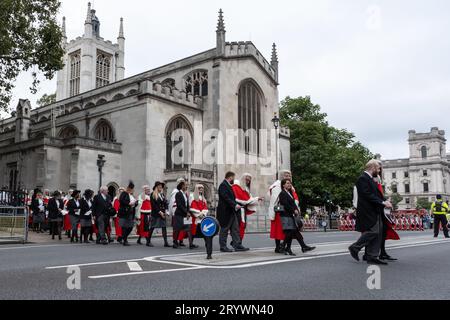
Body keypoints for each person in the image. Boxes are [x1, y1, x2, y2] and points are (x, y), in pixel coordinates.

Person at [348, 160, 393, 265]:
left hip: (374, 209)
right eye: (378, 169)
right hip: (367, 211)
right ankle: (355, 247)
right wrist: (382, 202)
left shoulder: (370, 179)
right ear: (372, 168)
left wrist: (385, 201)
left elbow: (376, 194)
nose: (379, 171)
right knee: (374, 231)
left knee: (378, 233)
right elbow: (367, 195)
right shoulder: (362, 179)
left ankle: (371, 256)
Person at [278, 179, 315, 255]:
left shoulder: (289, 193)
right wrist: (293, 210)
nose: (289, 184)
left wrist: (296, 209)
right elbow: (285, 204)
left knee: (293, 231)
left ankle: (291, 248)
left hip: (290, 215)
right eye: (287, 183)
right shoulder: (282, 193)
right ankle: (284, 246)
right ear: (283, 185)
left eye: (290, 183)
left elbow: (293, 203)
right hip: (285, 215)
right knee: (291, 231)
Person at [217, 171, 249, 252]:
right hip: (225, 212)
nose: (234, 179)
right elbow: (226, 198)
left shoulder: (229, 186)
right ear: (230, 177)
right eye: (233, 177)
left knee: (235, 229)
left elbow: (232, 198)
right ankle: (223, 246)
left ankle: (237, 245)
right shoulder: (223, 185)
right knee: (224, 229)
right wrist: (235, 205)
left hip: (232, 211)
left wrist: (236, 204)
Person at [232, 173, 263, 240]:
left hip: (243, 210)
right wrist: (256, 199)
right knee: (238, 226)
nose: (248, 182)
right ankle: (236, 242)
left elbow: (249, 199)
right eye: (246, 180)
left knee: (243, 226)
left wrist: (257, 199)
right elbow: (244, 200)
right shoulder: (237, 186)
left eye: (249, 180)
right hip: (237, 210)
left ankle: (238, 242)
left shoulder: (246, 189)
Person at [268, 170, 293, 254]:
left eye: (289, 175)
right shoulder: (276, 186)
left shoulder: (289, 186)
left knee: (286, 230)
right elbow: (274, 200)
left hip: (286, 211)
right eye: (286, 175)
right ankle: (278, 247)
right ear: (282, 176)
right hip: (279, 211)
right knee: (279, 230)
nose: (288, 177)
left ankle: (283, 246)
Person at [190, 184, 213, 258]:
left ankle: (207, 244)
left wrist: (203, 213)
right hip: (196, 217)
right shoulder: (193, 197)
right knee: (193, 231)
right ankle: (191, 243)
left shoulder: (203, 199)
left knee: (204, 231)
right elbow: (193, 207)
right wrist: (198, 214)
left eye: (202, 189)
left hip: (202, 217)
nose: (201, 190)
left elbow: (205, 207)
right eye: (200, 188)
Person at [173, 180, 197, 249]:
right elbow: (179, 205)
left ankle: (191, 244)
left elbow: (187, 205)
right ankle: (175, 242)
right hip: (179, 214)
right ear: (181, 186)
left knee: (188, 228)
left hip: (185, 214)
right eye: (185, 185)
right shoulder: (178, 194)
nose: (186, 186)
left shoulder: (185, 194)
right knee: (178, 229)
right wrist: (186, 212)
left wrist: (188, 212)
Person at [147, 181, 170, 247]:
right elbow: (154, 205)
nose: (161, 187)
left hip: (162, 213)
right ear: (156, 187)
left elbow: (165, 203)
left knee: (164, 227)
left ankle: (166, 242)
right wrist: (160, 212)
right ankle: (148, 241)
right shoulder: (153, 194)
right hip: (156, 214)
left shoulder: (162, 195)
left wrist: (166, 211)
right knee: (152, 227)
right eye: (159, 186)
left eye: (161, 186)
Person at [118, 182, 138, 246]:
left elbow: (134, 204)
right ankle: (125, 240)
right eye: (131, 189)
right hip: (124, 212)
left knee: (130, 227)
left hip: (131, 213)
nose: (132, 190)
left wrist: (136, 202)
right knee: (124, 227)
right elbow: (121, 201)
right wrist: (129, 203)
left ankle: (122, 237)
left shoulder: (131, 195)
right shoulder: (124, 193)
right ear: (128, 188)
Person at [169, 178, 187, 247]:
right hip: (177, 212)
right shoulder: (176, 192)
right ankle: (175, 241)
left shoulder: (183, 193)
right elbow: (173, 204)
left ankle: (180, 240)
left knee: (182, 227)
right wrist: (172, 212)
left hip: (182, 212)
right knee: (177, 228)